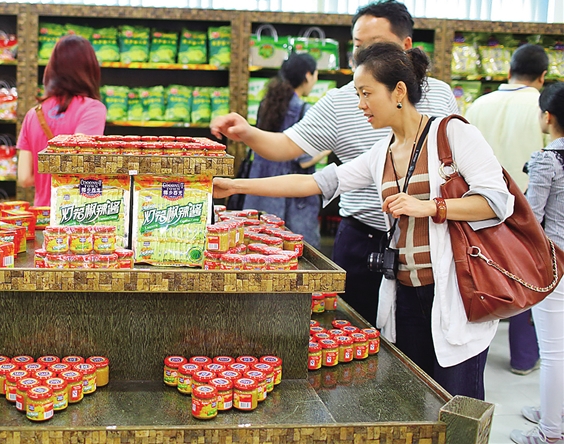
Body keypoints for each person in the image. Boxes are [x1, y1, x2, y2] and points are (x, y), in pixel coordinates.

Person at [213, 42, 511, 399]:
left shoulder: (452, 134)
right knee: (415, 399)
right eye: (358, 94)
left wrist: (431, 207)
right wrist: (236, 185)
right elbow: (315, 182)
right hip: (406, 296)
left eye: (366, 93)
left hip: (454, 295)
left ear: (398, 91)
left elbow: (496, 201)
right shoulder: (382, 152)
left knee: (457, 402)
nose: (360, 104)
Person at [211, 0, 458, 325]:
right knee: (359, 330)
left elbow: (489, 196)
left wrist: (433, 208)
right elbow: (311, 176)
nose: (361, 106)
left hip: (433, 240)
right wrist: (241, 159)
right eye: (357, 45)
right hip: (366, 239)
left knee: (426, 337)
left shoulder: (444, 109)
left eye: (375, 45)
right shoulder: (372, 145)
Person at [465, 43, 549, 376]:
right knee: (524, 273)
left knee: (481, 271)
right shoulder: (541, 106)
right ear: (543, 76)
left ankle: (474, 349)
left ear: (509, 70)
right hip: (525, 202)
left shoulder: (479, 104)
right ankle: (523, 356)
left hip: (479, 202)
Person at [511, 82, 564, 444]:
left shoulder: (547, 159)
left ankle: (549, 432)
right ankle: (553, 412)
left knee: (554, 352)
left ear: (548, 116)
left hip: (556, 264)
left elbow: (532, 218)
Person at [242, 54, 328, 249]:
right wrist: (328, 147)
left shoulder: (267, 103)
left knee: (258, 248)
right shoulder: (304, 110)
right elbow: (304, 160)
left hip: (260, 191)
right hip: (291, 201)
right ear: (308, 75)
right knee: (292, 254)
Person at [17, 35, 107, 206]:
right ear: (90, 69)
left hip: (42, 214)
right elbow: (79, 163)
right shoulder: (92, 109)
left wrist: (45, 176)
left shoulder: (34, 113)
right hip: (74, 213)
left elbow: (24, 178)